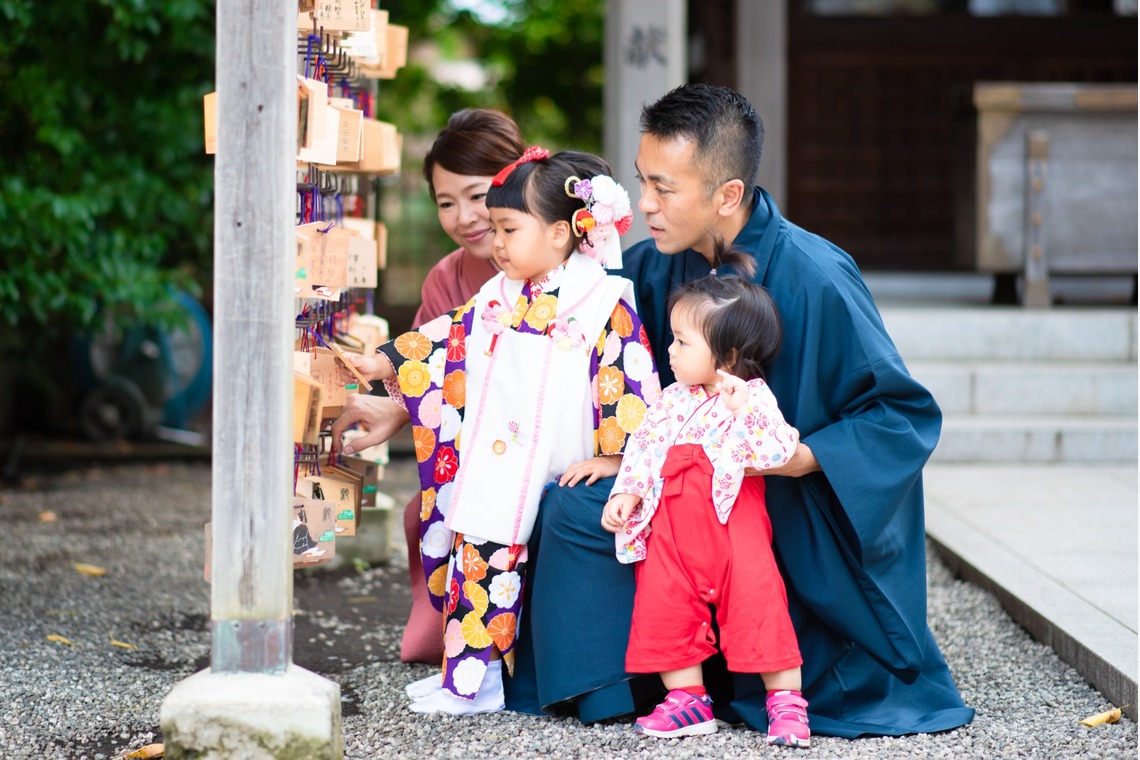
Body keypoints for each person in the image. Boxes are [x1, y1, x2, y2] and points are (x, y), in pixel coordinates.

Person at [505, 83, 976, 738]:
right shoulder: (649, 267)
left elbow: (899, 417)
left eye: (664, 188)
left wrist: (792, 459)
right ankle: (618, 691)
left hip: (785, 501)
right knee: (575, 507)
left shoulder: (815, 277)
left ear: (727, 194)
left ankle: (738, 679)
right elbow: (558, 344)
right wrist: (625, 452)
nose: (645, 204)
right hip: (681, 491)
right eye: (642, 182)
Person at [336, 148, 659, 716]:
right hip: (497, 455)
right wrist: (385, 361)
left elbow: (627, 381)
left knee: (497, 562)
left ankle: (479, 682)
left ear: (559, 233)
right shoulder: (499, 293)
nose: (498, 242)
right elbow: (447, 338)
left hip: (557, 454)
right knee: (473, 553)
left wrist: (615, 457)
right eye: (497, 228)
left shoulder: (601, 299)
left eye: (510, 229)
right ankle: (467, 677)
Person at [601, 260, 810, 748]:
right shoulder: (671, 400)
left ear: (728, 355)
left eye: (682, 341)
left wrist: (745, 410)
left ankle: (785, 703)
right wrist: (627, 491)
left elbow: (777, 451)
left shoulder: (752, 398)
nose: (670, 350)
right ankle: (688, 699)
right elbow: (644, 449)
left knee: (759, 605)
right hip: (671, 528)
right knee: (664, 606)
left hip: (733, 529)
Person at [400, 109, 527, 665]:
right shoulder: (446, 277)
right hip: (472, 449)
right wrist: (388, 410)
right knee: (424, 512)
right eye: (446, 202)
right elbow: (421, 369)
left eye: (477, 196)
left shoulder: (560, 257)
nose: (465, 217)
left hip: (542, 446)